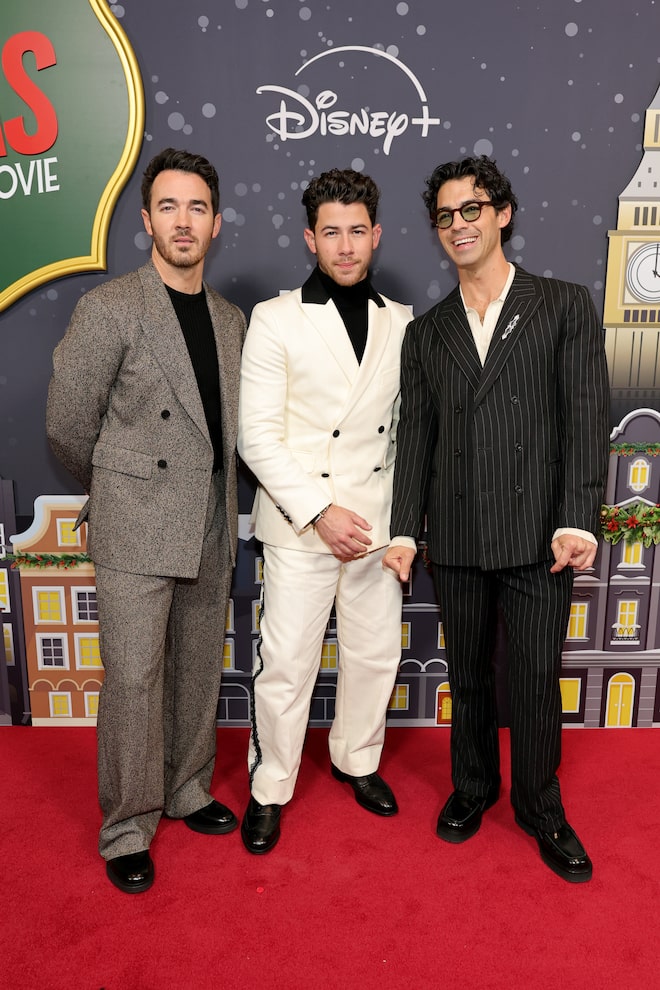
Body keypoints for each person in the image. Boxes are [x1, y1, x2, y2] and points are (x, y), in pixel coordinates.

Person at [383, 155, 609, 883]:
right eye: (445, 216)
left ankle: (542, 809)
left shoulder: (563, 305)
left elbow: (585, 419)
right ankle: (474, 787)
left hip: (541, 536)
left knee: (536, 680)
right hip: (454, 537)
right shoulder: (427, 333)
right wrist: (404, 531)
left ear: (503, 214)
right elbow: (416, 439)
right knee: (470, 676)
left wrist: (577, 519)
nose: (459, 225)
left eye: (472, 209)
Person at [46, 148, 246, 894]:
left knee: (196, 670)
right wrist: (119, 486)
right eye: (168, 207)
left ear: (216, 223)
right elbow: (68, 425)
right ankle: (128, 826)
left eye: (197, 207)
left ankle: (187, 789)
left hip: (208, 517)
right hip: (135, 520)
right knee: (133, 680)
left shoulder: (230, 320)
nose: (183, 221)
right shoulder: (111, 308)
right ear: (146, 220)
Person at [237, 168, 411, 854]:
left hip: (375, 526)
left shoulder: (403, 321)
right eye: (331, 232)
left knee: (374, 656)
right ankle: (270, 784)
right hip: (301, 525)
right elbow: (256, 436)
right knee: (286, 664)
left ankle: (357, 760)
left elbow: (407, 436)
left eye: (357, 231)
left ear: (376, 234)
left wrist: (399, 527)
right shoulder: (275, 318)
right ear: (310, 238)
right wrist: (319, 512)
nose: (345, 245)